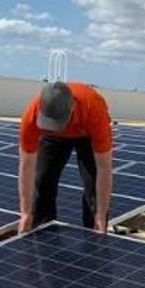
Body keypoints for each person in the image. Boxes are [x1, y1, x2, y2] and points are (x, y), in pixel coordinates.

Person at [17, 81, 113, 233]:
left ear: (72, 107)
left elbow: (104, 168)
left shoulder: (93, 110)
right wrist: (25, 212)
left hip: (86, 134)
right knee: (43, 178)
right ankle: (42, 229)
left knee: (93, 183)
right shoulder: (32, 114)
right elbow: (27, 165)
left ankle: (95, 232)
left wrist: (101, 215)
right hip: (52, 137)